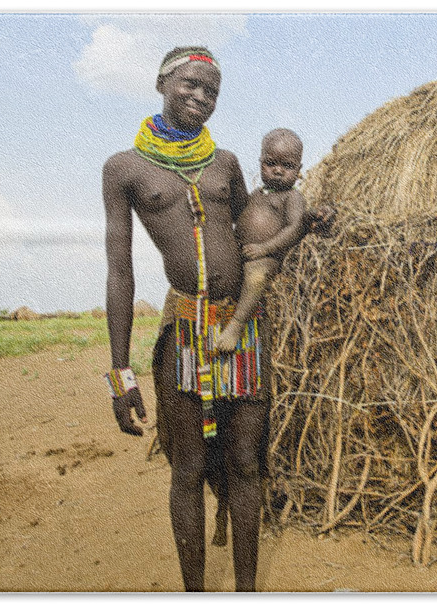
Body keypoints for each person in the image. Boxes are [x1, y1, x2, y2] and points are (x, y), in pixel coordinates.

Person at [102, 46, 328, 592]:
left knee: (246, 465)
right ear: (162, 82)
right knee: (188, 470)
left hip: (244, 327)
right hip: (184, 330)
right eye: (190, 84)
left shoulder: (225, 163)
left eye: (212, 91)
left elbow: (263, 220)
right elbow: (120, 274)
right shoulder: (124, 169)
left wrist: (307, 221)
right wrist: (120, 376)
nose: (201, 97)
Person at [211, 128, 307, 355]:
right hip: (246, 251)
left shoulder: (292, 197)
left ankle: (236, 325)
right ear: (260, 161)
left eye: (288, 166)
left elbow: (296, 228)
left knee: (256, 274)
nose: (278, 171)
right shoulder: (256, 194)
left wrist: (265, 248)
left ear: (299, 170)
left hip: (270, 258)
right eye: (271, 163)